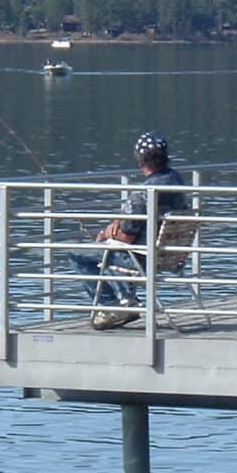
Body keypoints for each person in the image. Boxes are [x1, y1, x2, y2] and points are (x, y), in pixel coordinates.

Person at [69, 131, 187, 329]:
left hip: (141, 258)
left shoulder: (143, 193)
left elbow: (127, 236)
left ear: (140, 160)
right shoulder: (175, 179)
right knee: (108, 249)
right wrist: (118, 223)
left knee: (78, 254)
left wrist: (107, 233)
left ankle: (114, 306)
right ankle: (125, 299)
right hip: (169, 255)